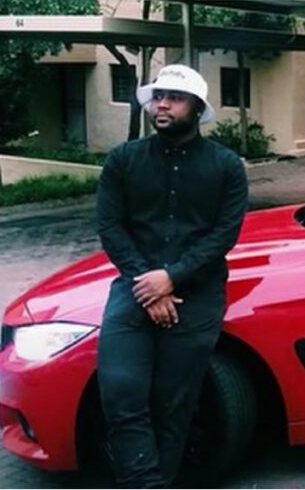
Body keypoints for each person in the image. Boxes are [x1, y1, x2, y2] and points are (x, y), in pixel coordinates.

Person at [95, 64, 249, 488]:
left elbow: (223, 234)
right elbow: (111, 226)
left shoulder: (226, 166)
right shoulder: (123, 160)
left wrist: (173, 277)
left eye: (175, 98)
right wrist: (151, 283)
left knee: (173, 406)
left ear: (197, 108)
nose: (162, 104)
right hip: (134, 290)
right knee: (122, 399)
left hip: (197, 297)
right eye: (158, 96)